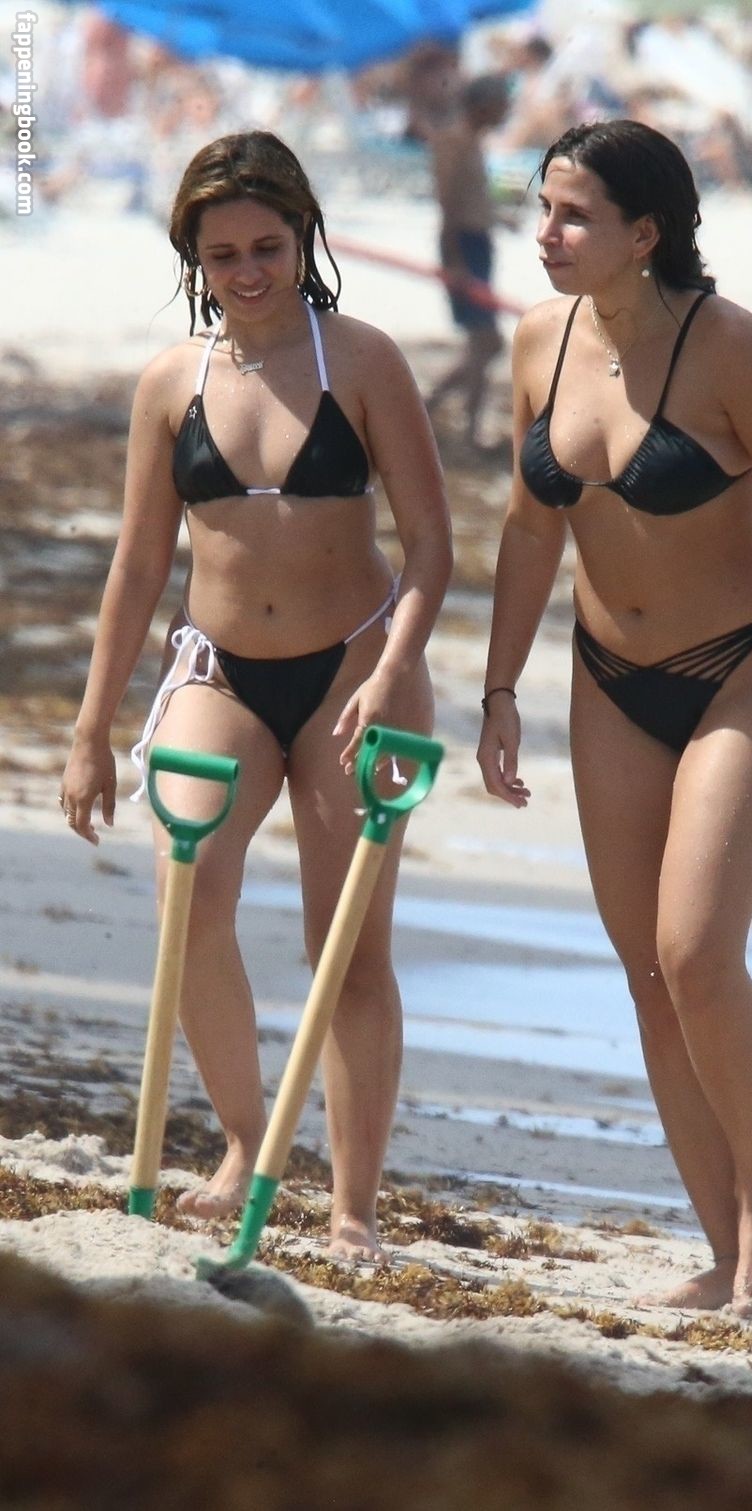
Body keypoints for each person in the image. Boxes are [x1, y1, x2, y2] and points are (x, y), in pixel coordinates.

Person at [477, 120, 752, 1318]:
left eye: (574, 215)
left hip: (745, 668)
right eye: (543, 209)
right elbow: (531, 527)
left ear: (643, 232)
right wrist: (498, 689)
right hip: (609, 677)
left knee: (697, 949)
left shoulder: (730, 348)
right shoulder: (539, 342)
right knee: (647, 969)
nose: (547, 234)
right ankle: (720, 1243)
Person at [58, 131, 451, 1260]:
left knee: (349, 944)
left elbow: (431, 544)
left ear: (304, 237)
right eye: (222, 252)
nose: (246, 271)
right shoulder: (169, 382)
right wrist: (90, 730)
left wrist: (395, 667)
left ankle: (354, 1204)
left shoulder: (364, 361)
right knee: (187, 901)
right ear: (193, 254)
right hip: (219, 667)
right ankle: (242, 1140)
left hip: (356, 669)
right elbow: (139, 563)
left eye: (266, 247)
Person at [425, 75, 515, 450]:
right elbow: (448, 204)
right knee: (484, 341)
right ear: (482, 105)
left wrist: (499, 217)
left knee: (485, 343)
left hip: (477, 243)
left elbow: (469, 199)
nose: (506, 111)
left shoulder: (473, 141)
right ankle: (468, 431)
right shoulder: (454, 141)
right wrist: (455, 261)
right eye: (500, 104)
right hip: (463, 245)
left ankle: (429, 409)